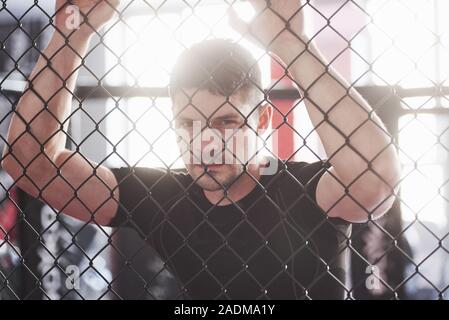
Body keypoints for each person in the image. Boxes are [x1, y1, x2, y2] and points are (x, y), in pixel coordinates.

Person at [1, 0, 401, 299]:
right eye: (188, 125)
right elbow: (29, 163)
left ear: (262, 120)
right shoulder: (162, 196)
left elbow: (376, 181)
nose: (206, 143)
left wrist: (291, 44)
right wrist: (73, 34)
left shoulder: (302, 188)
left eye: (226, 123)